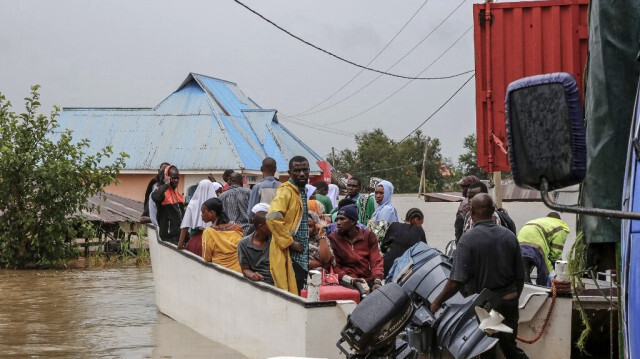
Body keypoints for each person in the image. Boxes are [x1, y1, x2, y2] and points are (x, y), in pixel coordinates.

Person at [430, 193, 528, 359]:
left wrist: (437, 302)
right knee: (510, 348)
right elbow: (520, 277)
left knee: (487, 351)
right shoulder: (509, 236)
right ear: (492, 212)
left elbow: (456, 281)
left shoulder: (467, 240)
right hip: (509, 301)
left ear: (472, 212)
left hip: (488, 307)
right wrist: (512, 299)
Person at [266, 155, 310, 295]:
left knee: (299, 289)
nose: (302, 173)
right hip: (290, 251)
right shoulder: (286, 191)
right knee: (290, 292)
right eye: (297, 170)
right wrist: (290, 242)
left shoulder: (300, 191)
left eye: (305, 170)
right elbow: (273, 217)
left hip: (301, 251)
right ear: (290, 172)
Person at [328, 204, 384, 298]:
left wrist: (377, 280)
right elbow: (335, 266)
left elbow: (376, 261)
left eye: (342, 219)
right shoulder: (333, 238)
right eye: (337, 219)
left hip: (367, 278)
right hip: (346, 280)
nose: (338, 222)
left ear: (353, 221)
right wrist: (350, 280)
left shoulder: (368, 236)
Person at [518, 212, 570, 286]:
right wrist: (558, 268)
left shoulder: (539, 221)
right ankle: (543, 290)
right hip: (536, 246)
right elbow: (556, 253)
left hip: (519, 244)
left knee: (524, 272)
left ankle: (526, 289)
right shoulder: (559, 227)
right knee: (544, 272)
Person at [201, 198, 244, 272]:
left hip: (220, 273)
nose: (201, 215)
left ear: (212, 213)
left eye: (203, 212)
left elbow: (206, 258)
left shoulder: (208, 232)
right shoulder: (236, 228)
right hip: (239, 272)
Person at [380, 208, 427, 277]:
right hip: (403, 274)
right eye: (421, 222)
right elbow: (424, 253)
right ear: (416, 220)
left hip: (386, 270)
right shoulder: (419, 231)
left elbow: (383, 248)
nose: (421, 225)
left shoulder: (394, 225)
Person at [177, 179, 218, 256]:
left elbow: (185, 225)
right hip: (213, 242)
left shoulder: (192, 204)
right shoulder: (216, 206)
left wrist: (180, 243)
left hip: (195, 241)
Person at [151, 165, 185, 244]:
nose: (176, 180)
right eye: (173, 178)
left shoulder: (178, 193)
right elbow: (155, 197)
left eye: (177, 178)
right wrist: (166, 184)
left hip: (179, 237)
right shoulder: (162, 192)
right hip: (168, 238)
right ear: (167, 177)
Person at [237, 211, 274, 285]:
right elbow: (245, 269)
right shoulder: (243, 244)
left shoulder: (275, 240)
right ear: (261, 226)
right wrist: (252, 275)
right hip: (258, 283)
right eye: (270, 224)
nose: (273, 227)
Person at [454, 175, 481, 241]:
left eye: (464, 188)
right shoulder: (490, 201)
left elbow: (459, 231)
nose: (462, 191)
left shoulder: (464, 206)